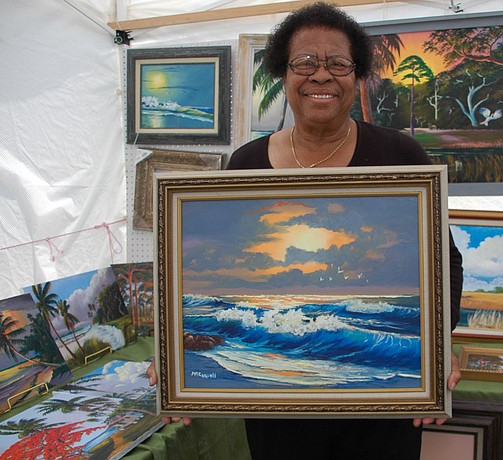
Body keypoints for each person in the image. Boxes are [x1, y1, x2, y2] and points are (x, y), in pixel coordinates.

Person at [148, 3, 463, 458]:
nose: (321, 75)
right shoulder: (246, 163)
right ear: (284, 73)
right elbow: (191, 268)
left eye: (338, 63)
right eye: (305, 62)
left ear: (357, 75)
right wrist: (173, 353)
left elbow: (444, 260)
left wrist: (439, 345)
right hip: (272, 399)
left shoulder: (400, 154)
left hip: (383, 405)